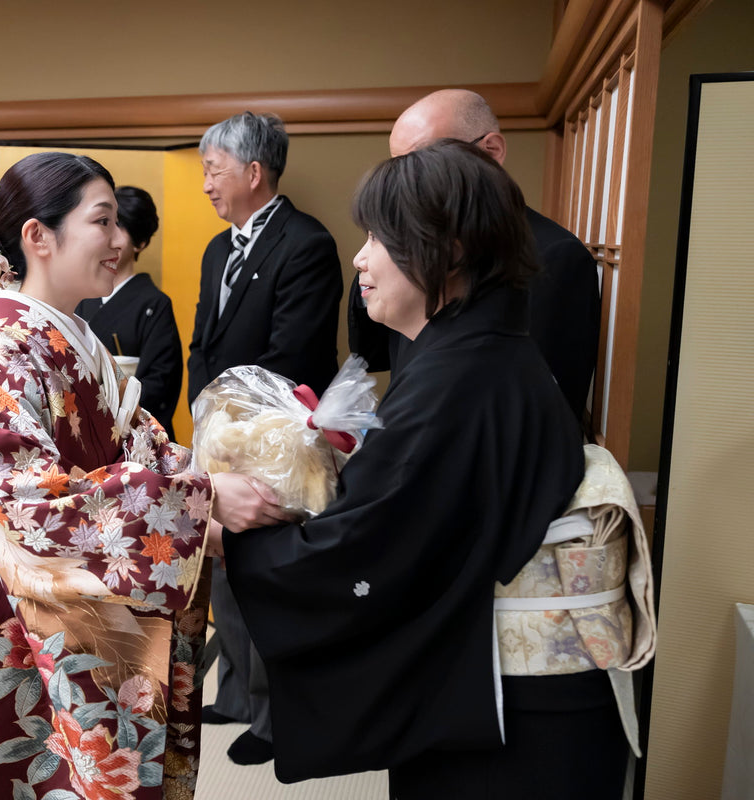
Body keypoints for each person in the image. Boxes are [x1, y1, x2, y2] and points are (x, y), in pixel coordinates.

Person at [0, 152, 290, 799]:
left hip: (46, 601)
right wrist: (200, 505)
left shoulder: (70, 339)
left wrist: (209, 498)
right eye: (103, 221)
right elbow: (30, 501)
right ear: (38, 238)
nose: (120, 240)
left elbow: (140, 445)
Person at [221, 140, 630, 799]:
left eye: (381, 237)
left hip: (516, 724)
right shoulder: (476, 351)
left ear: (452, 249)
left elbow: (359, 553)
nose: (361, 259)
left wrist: (231, 536)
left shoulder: (459, 378)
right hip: (513, 701)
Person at [188, 111, 343, 765]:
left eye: (214, 171)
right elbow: (203, 344)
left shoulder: (306, 243)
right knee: (226, 565)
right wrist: (204, 414)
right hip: (221, 435)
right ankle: (235, 695)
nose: (205, 186)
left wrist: (234, 423)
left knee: (272, 573)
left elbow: (294, 353)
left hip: (279, 442)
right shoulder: (219, 247)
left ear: (254, 172)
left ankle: (278, 719)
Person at [349, 88, 601, 423]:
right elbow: (375, 350)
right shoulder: (413, 246)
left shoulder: (554, 256)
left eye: (423, 162)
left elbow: (540, 411)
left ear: (491, 151)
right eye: (399, 167)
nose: (405, 183)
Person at [75, 186, 183, 441]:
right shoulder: (82, 297)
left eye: (119, 229)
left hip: (131, 431)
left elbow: (160, 384)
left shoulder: (155, 304)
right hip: (83, 424)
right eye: (105, 226)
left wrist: (106, 402)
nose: (110, 238)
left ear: (141, 242)